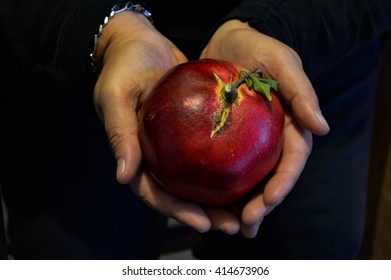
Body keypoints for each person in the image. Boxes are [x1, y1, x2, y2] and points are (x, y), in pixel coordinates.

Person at [0, 0, 390, 259]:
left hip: (312, 44)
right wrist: (100, 28)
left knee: (312, 252)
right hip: (66, 58)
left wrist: (281, 23)